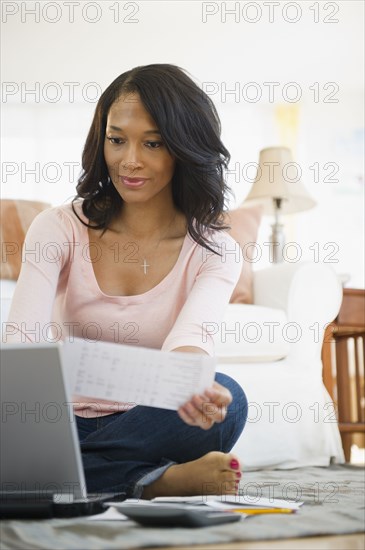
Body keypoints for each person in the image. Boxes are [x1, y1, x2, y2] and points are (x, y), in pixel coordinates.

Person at [5, 64, 248, 499]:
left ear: (184, 147)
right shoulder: (59, 227)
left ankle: (52, 480)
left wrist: (194, 388)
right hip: (58, 417)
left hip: (149, 417)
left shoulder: (214, 248)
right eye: (117, 140)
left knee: (229, 399)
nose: (129, 161)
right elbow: (21, 339)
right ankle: (147, 481)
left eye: (152, 143)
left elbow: (191, 340)